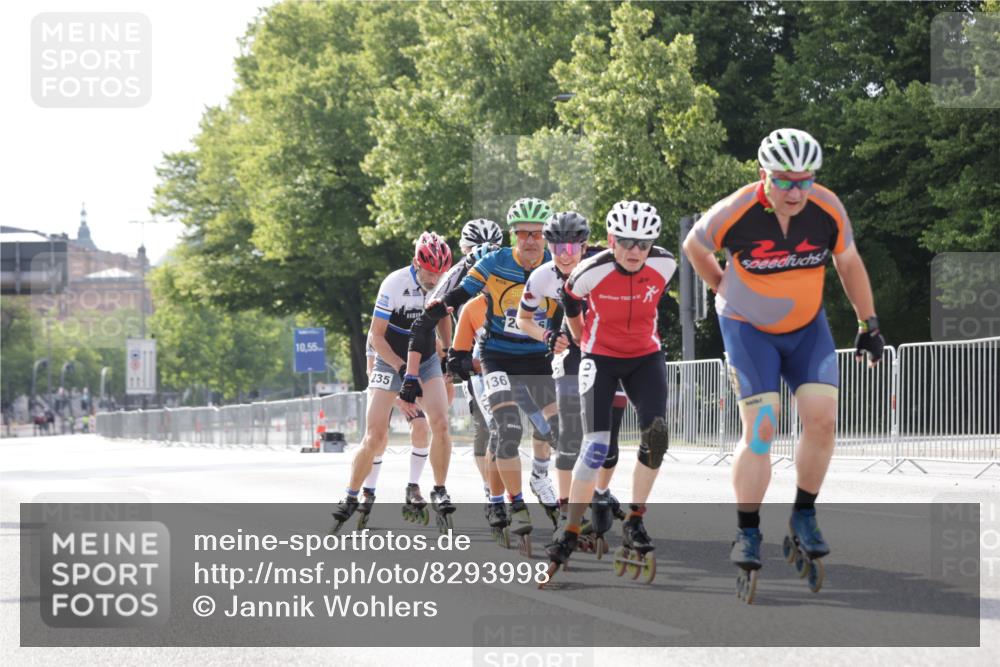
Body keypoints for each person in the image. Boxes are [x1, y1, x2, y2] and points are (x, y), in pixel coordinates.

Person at [682, 128, 884, 599]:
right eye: (784, 181)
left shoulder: (827, 208)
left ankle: (804, 514)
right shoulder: (735, 210)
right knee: (762, 428)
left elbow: (848, 261)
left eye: (805, 180)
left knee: (822, 421)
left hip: (806, 328)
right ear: (763, 176)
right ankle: (747, 529)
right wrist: (720, 285)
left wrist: (868, 323)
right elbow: (694, 245)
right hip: (748, 330)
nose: (795, 192)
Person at [406, 197, 561, 551]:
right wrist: (441, 337)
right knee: (501, 429)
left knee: (552, 428)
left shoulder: (555, 263)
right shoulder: (485, 268)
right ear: (513, 235)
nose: (530, 240)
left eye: (537, 233)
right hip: (490, 357)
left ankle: (539, 478)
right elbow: (454, 299)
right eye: (523, 233)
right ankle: (502, 500)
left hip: (535, 357)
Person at [544, 200, 677, 577]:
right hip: (600, 358)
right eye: (627, 242)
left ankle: (635, 519)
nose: (635, 251)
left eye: (644, 244)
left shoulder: (665, 264)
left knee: (656, 435)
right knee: (596, 445)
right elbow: (570, 301)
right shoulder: (589, 272)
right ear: (611, 240)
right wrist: (580, 339)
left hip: (645, 356)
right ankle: (570, 530)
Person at [517, 211, 629, 547]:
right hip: (573, 350)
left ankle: (600, 493)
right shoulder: (541, 276)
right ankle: (567, 513)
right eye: (556, 247)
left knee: (608, 441)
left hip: (611, 349)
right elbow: (523, 319)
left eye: (571, 246)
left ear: (584, 245)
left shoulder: (606, 265)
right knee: (569, 435)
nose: (564, 254)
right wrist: (547, 336)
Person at [331, 232, 453, 531]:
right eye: (429, 273)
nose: (434, 279)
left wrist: (448, 352)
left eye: (440, 273)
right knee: (375, 435)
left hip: (426, 358)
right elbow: (376, 335)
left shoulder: (443, 282)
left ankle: (438, 489)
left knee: (439, 422)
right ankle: (351, 494)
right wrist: (401, 370)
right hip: (389, 358)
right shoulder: (394, 284)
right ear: (416, 263)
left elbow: (444, 317)